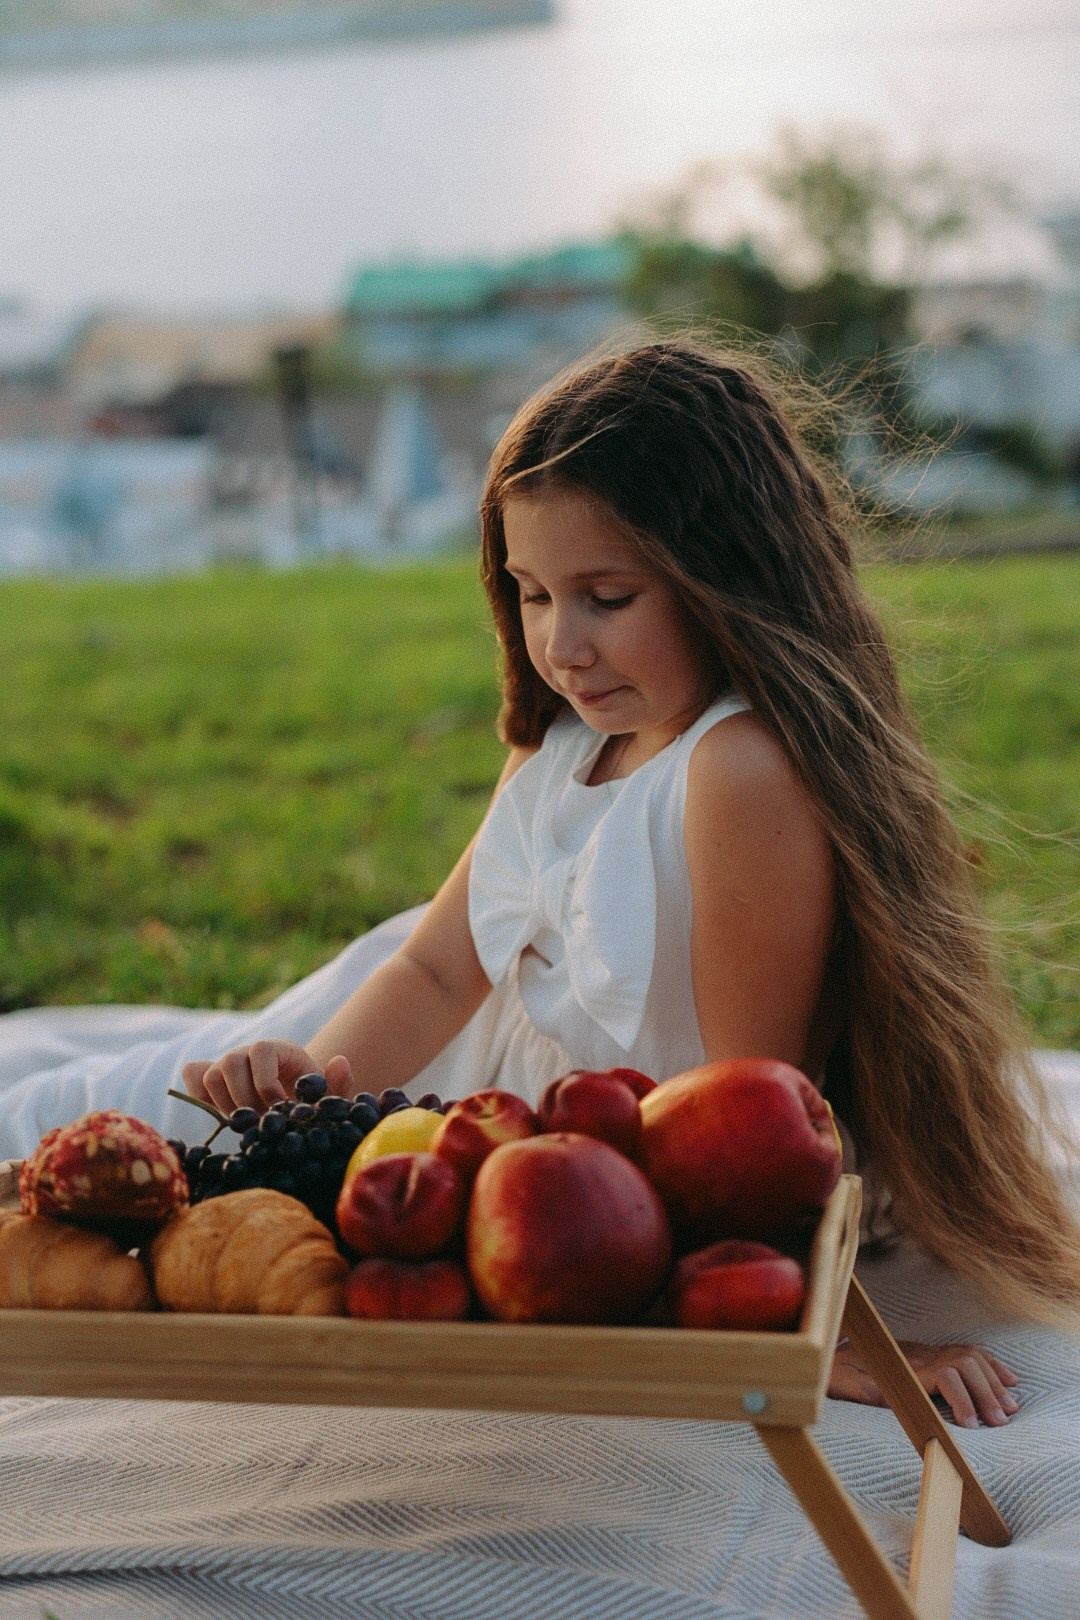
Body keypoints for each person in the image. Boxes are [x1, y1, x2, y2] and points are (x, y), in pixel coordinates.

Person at [3, 341, 1076, 1425]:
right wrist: (309, 1096)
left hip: (544, 1161)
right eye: (531, 595)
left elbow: (760, 1102)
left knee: (106, 1192)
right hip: (410, 1072)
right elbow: (432, 964)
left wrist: (815, 1330)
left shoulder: (738, 772)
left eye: (608, 596)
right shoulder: (565, 743)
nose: (563, 643)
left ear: (728, 578)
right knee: (71, 1138)